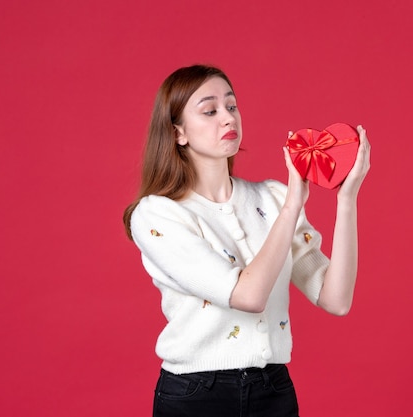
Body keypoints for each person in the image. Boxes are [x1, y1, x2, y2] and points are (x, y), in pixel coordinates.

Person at [123, 64, 370, 417]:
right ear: (178, 133)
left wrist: (347, 199)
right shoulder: (158, 215)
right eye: (209, 111)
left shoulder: (272, 197)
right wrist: (292, 206)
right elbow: (248, 296)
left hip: (273, 390)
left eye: (232, 106)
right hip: (196, 395)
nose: (227, 118)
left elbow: (336, 299)